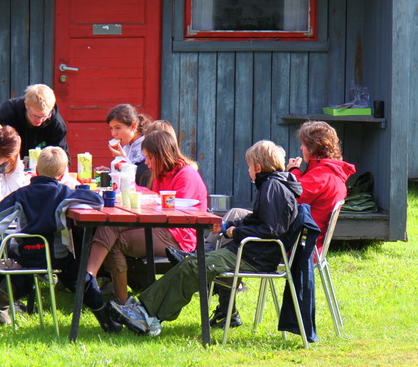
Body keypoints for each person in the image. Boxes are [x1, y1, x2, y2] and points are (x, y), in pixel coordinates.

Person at [107, 140, 302, 336]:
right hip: (252, 253)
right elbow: (260, 221)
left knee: (194, 266)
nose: (248, 170)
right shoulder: (274, 184)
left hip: (254, 257)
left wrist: (236, 232)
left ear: (258, 167)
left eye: (249, 166)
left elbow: (270, 230)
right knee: (192, 262)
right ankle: (148, 312)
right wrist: (231, 225)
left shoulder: (272, 187)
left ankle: (147, 314)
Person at [0, 146, 120, 331]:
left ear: (37, 170)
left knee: (28, 273)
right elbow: (97, 201)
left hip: (26, 254)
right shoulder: (63, 193)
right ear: (63, 173)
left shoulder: (22, 193)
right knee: (82, 279)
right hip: (55, 255)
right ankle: (106, 321)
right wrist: (74, 190)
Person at [87, 130, 207, 306]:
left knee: (117, 241)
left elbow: (177, 215)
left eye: (150, 158)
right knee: (109, 225)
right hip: (158, 225)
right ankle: (90, 278)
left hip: (178, 235)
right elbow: (155, 200)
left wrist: (148, 200)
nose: (147, 164)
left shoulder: (185, 175)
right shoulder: (162, 172)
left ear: (162, 155)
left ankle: (121, 301)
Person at [285, 121, 355, 255]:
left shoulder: (322, 176)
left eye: (304, 144)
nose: (301, 148)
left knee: (238, 237)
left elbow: (293, 197)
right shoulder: (330, 172)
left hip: (297, 248)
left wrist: (292, 172)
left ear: (313, 147)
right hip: (308, 243)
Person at [0, 84, 69, 162]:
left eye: (44, 117)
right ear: (26, 105)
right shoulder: (8, 112)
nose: (40, 120)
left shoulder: (56, 124)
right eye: (35, 116)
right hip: (7, 164)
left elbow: (62, 159)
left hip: (42, 170)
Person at [105, 104, 152, 187]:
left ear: (133, 126)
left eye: (118, 128)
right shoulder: (126, 146)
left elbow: (141, 178)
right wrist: (110, 171)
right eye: (111, 128)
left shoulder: (148, 146)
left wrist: (123, 159)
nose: (113, 134)